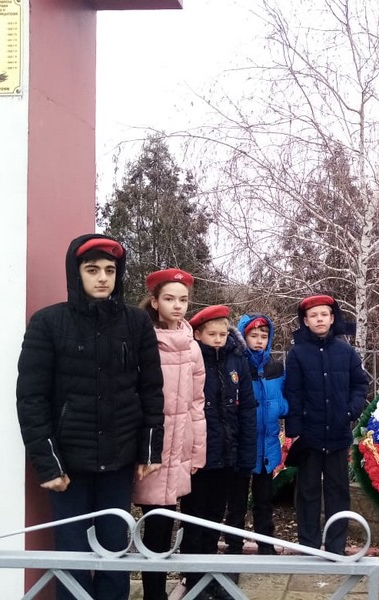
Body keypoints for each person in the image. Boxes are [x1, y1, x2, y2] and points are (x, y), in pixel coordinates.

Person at [16, 234, 164, 600]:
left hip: (118, 460)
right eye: (92, 269)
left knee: (114, 551)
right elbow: (31, 398)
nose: (102, 278)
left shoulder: (136, 323)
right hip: (69, 466)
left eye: (110, 270)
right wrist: (48, 464)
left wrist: (149, 450)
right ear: (76, 272)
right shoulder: (48, 323)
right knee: (72, 555)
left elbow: (151, 390)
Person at [132, 268, 206, 600]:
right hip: (148, 445)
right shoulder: (142, 340)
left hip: (179, 446)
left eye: (183, 300)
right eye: (169, 299)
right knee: (148, 524)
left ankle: (157, 593)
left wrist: (197, 450)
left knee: (164, 524)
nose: (177, 306)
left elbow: (197, 402)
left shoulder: (193, 347)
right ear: (155, 301)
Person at [180, 305, 256, 600]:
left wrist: (244, 453)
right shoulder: (191, 358)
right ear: (198, 334)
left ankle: (210, 576)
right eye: (211, 334)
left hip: (227, 453)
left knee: (214, 517)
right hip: (199, 456)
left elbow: (246, 408)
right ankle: (193, 578)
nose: (217, 339)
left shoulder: (237, 360)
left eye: (222, 334)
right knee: (194, 518)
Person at [284, 294, 368, 554]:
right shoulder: (297, 353)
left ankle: (335, 547)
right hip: (309, 436)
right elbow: (293, 393)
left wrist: (350, 411)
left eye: (324, 314)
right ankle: (309, 546)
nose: (319, 319)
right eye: (313, 315)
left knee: (338, 492)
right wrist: (294, 431)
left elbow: (360, 384)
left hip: (338, 435)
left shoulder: (346, 352)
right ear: (305, 321)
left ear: (332, 318)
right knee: (307, 492)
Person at [236, 313, 289, 555]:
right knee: (236, 502)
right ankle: (234, 547)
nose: (259, 341)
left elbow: (284, 397)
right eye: (253, 336)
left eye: (264, 336)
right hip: (242, 444)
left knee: (264, 500)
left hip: (267, 445)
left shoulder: (275, 368)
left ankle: (266, 545)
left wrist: (281, 407)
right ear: (243, 337)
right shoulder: (238, 365)